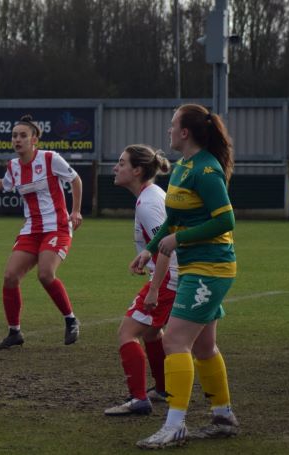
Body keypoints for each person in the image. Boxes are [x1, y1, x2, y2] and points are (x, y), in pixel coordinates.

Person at [135, 104, 239, 449]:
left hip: (210, 268)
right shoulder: (182, 168)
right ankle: (223, 417)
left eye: (172, 125)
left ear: (185, 133)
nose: (168, 130)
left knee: (174, 341)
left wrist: (178, 239)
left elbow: (226, 221)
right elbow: (173, 219)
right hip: (198, 266)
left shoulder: (205, 170)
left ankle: (175, 425)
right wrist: (151, 248)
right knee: (205, 346)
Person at [0, 115, 83, 348]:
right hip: (31, 229)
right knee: (10, 277)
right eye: (14, 136)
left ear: (34, 140)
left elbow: (76, 180)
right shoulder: (14, 166)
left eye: (22, 136)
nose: (17, 140)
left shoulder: (50, 158)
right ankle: (14, 332)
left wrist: (76, 211)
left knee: (45, 274)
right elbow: (4, 184)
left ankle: (70, 320)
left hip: (57, 227)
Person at [103, 144, 177, 416]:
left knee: (127, 333)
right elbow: (162, 240)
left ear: (137, 170)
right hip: (171, 276)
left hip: (170, 278)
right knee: (151, 332)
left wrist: (154, 289)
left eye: (121, 163)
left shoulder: (148, 202)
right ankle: (162, 388)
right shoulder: (150, 195)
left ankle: (139, 399)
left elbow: (169, 248)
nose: (115, 167)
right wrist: (147, 254)